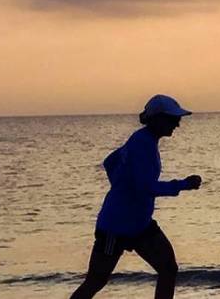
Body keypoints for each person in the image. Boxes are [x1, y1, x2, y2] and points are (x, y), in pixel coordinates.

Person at [71, 94, 204, 299]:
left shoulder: (144, 140)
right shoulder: (142, 144)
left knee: (168, 268)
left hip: (139, 225)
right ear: (157, 119)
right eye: (173, 118)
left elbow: (111, 163)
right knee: (96, 280)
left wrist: (122, 187)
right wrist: (184, 184)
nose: (177, 124)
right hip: (115, 227)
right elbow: (146, 187)